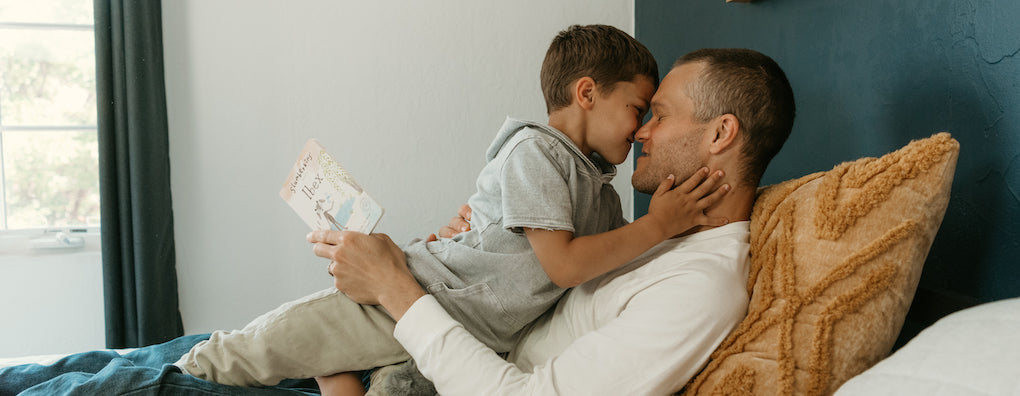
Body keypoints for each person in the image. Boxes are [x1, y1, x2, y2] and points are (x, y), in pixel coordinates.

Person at [172, 24, 732, 390]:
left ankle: (329, 372)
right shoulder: (536, 151)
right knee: (273, 343)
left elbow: (608, 261)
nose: (640, 131)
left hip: (466, 328)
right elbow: (566, 265)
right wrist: (659, 224)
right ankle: (186, 371)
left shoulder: (601, 192)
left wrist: (667, 229)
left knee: (370, 376)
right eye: (638, 108)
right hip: (422, 295)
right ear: (587, 93)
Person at [312, 47, 796, 395]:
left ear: (720, 133)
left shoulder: (701, 289)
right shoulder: (655, 237)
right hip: (427, 347)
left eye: (660, 116)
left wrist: (393, 288)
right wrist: (484, 243)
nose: (641, 130)